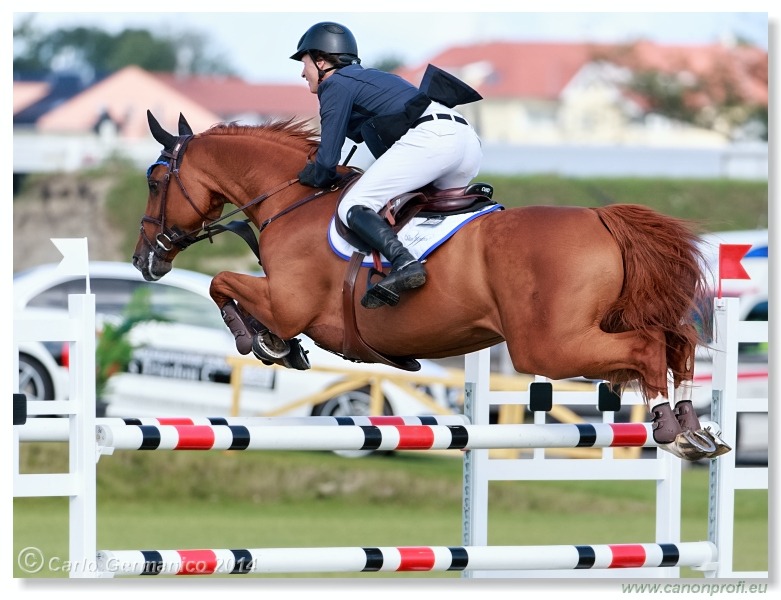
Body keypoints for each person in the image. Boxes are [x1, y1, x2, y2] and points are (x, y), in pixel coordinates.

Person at [291, 21, 483, 309]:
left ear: (321, 61)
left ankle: (405, 264)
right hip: (467, 142)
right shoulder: (370, 80)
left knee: (353, 205)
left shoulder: (335, 84)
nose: (302, 73)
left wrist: (310, 176)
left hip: (433, 140)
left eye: (304, 63)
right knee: (420, 214)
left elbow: (327, 162)